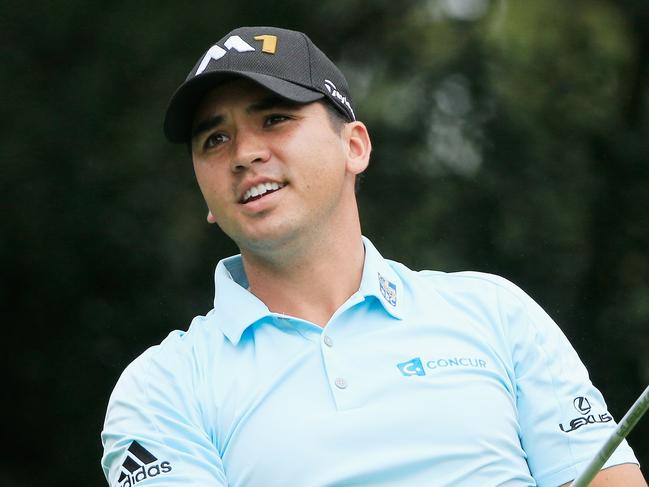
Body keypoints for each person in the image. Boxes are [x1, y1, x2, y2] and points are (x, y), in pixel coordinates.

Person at [101, 26, 646, 487]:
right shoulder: (161, 388)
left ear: (354, 146)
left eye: (274, 119)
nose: (245, 154)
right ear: (207, 196)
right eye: (214, 141)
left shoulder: (496, 313)